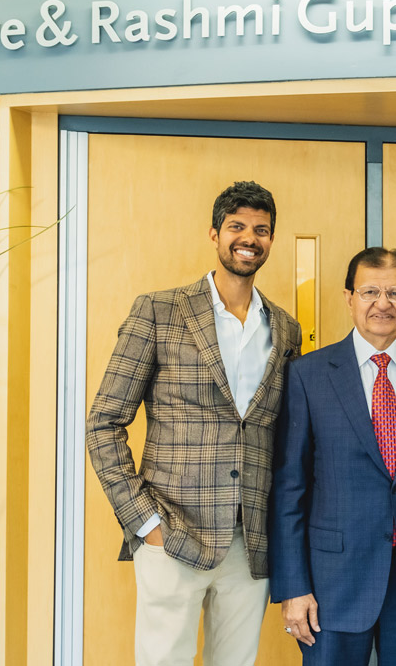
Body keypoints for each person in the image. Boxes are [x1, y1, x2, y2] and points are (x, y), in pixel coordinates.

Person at [86, 181, 301, 666]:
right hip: (172, 532)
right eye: (238, 227)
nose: (250, 238)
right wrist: (145, 521)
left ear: (271, 240)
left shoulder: (286, 328)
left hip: (251, 541)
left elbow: (282, 434)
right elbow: (103, 422)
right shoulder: (159, 311)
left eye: (262, 230)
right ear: (215, 233)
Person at [269, 247, 396, 666]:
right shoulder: (308, 374)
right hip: (332, 581)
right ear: (348, 297)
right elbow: (289, 489)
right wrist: (293, 588)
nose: (382, 303)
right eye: (370, 291)